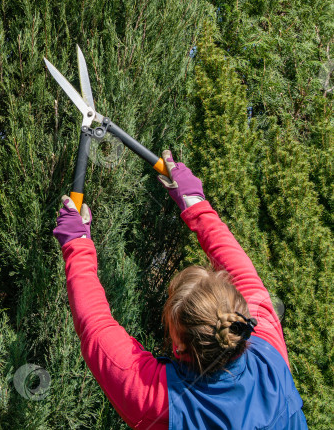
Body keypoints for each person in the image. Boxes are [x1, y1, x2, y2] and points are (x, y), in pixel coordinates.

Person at [52, 150, 308, 429]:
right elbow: (244, 274)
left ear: (178, 345)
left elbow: (96, 327)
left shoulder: (160, 400)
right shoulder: (268, 350)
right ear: (240, 315)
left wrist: (77, 244)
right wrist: (195, 204)